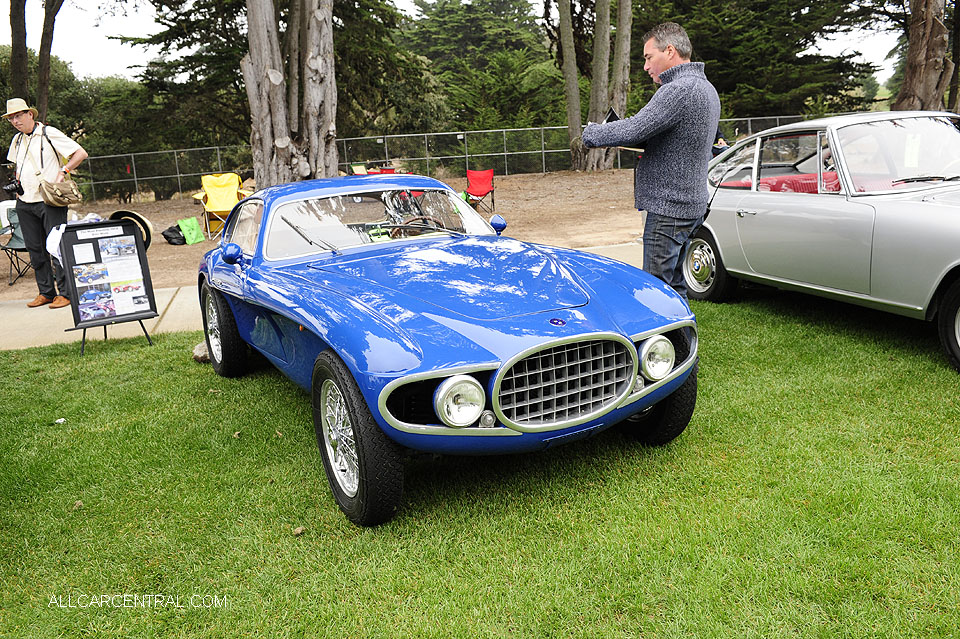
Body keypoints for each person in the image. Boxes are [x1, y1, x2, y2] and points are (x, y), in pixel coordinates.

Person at [581, 22, 720, 300]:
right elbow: (669, 138)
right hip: (690, 205)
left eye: (648, 57)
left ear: (670, 51)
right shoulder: (705, 88)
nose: (646, 66)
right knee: (676, 289)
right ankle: (682, 342)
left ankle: (663, 344)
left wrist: (592, 133)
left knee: (655, 295)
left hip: (669, 208)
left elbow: (635, 127)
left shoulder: (679, 89)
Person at [4, 97, 88, 309]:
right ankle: (46, 293)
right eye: (11, 118)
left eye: (18, 116)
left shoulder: (49, 133)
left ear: (29, 114)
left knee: (56, 248)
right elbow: (17, 165)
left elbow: (80, 153)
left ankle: (66, 293)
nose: (15, 121)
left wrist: (63, 171)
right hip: (25, 200)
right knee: (35, 249)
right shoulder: (17, 140)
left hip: (49, 200)